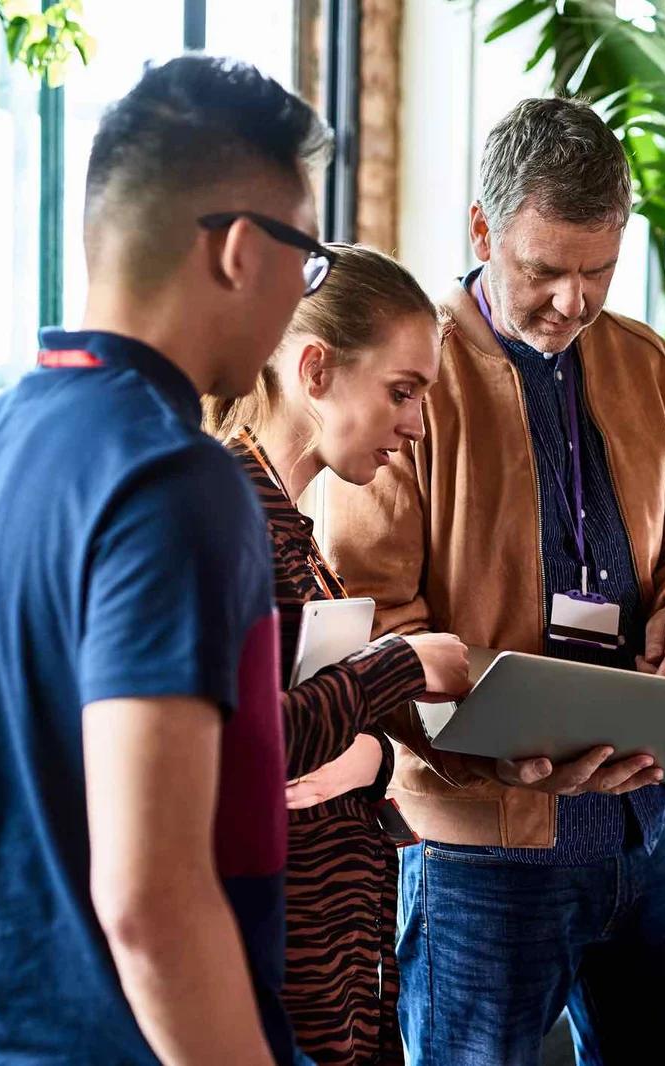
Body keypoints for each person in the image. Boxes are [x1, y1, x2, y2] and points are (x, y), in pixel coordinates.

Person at [0, 56, 335, 1065]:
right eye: (305, 256)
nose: (301, 294)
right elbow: (152, 901)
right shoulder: (177, 482)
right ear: (237, 250)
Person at [324, 97, 665, 1066]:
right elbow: (372, 616)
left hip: (636, 821)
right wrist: (484, 753)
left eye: (597, 270)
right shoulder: (412, 376)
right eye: (544, 269)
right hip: (479, 851)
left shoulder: (644, 362)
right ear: (481, 230)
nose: (572, 301)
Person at [204, 244, 469, 1066]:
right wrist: (405, 663)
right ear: (315, 370)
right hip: (278, 998)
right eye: (402, 392)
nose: (416, 425)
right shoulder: (225, 513)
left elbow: (323, 748)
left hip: (343, 990)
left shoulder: (294, 528)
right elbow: (246, 748)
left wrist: (371, 756)